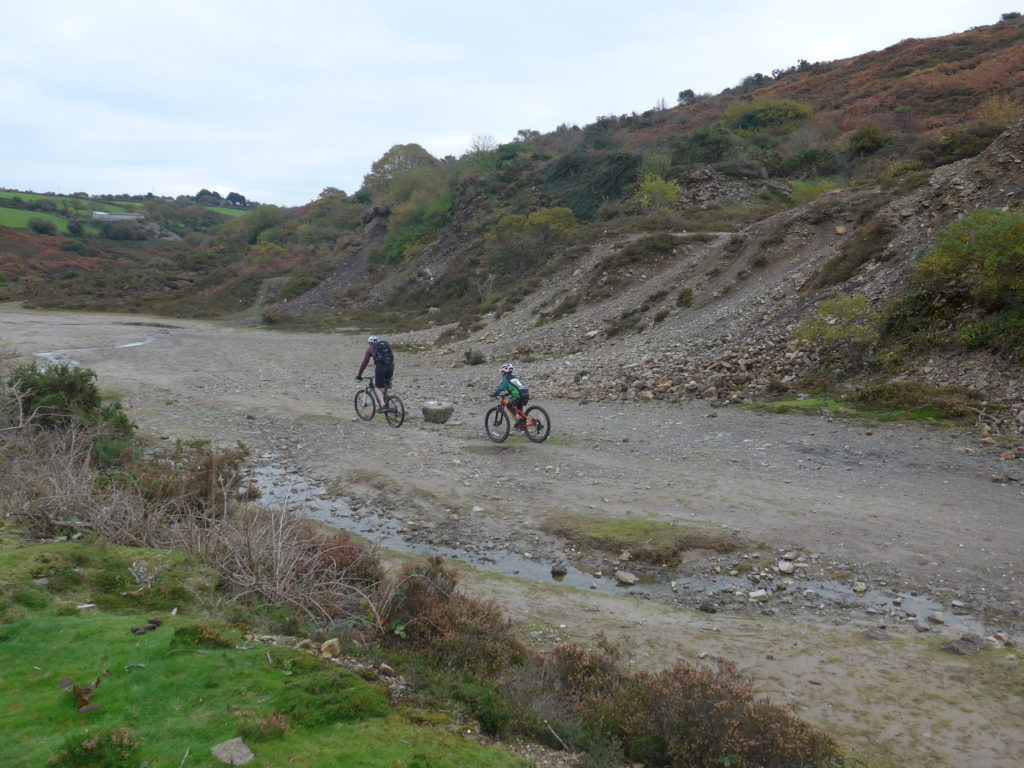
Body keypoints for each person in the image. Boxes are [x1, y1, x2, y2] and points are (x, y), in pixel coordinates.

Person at [356, 335, 394, 413]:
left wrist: (359, 375)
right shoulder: (385, 346)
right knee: (385, 386)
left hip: (381, 368)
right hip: (390, 367)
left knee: (377, 387)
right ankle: (388, 403)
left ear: (370, 343)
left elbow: (364, 363)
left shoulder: (370, 349)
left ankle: (383, 405)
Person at [490, 363, 530, 428]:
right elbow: (515, 387)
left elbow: (500, 388)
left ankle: (518, 418)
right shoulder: (514, 378)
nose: (502, 373)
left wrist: (494, 394)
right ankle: (522, 425)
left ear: (504, 372)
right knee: (519, 408)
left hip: (518, 395)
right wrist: (508, 393)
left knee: (509, 405)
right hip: (525, 393)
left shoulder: (505, 379)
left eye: (502, 372)